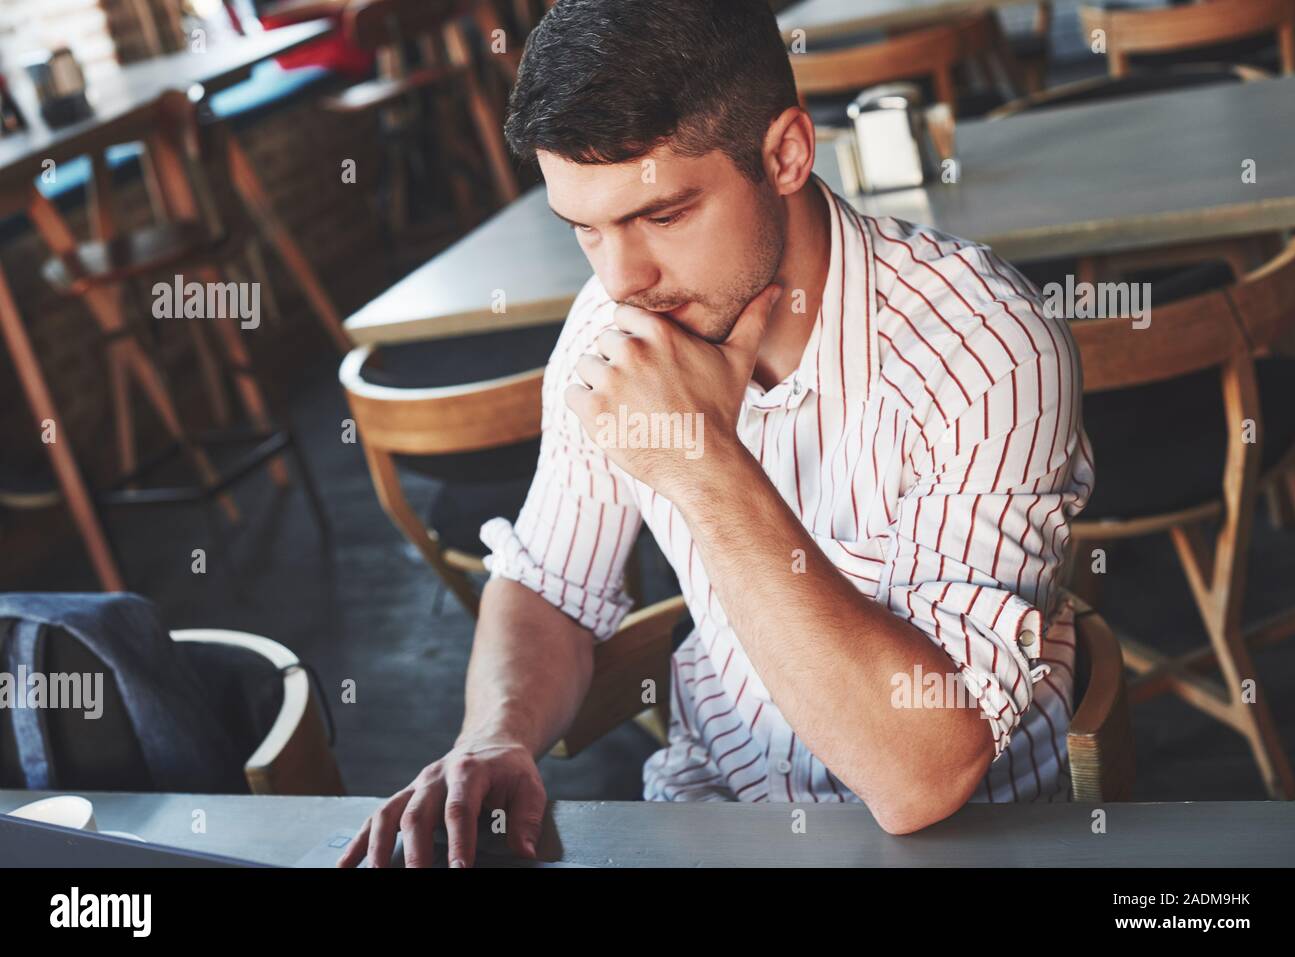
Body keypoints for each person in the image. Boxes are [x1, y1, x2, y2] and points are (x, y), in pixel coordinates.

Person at [339, 0, 1093, 868]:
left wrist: (703, 464)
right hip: (718, 812)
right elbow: (548, 584)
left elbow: (922, 778)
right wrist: (493, 733)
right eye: (586, 228)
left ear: (785, 155)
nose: (622, 281)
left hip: (977, 837)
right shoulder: (611, 326)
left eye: (662, 216)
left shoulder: (988, 349)